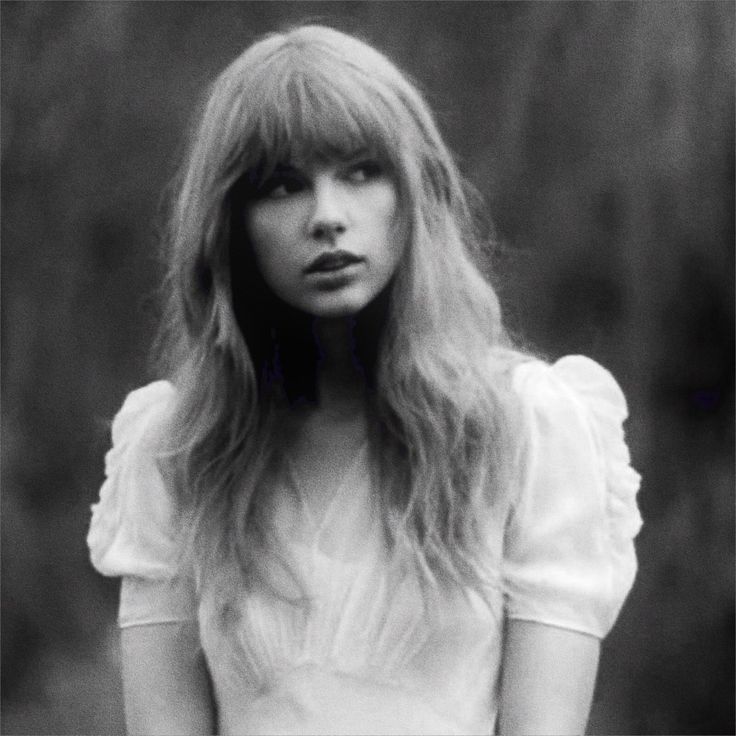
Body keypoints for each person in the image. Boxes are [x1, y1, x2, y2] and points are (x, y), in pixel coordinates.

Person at [87, 24, 642, 736]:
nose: (326, 217)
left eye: (359, 170)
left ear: (415, 192)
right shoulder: (177, 450)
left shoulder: (525, 426)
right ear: (230, 224)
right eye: (282, 185)